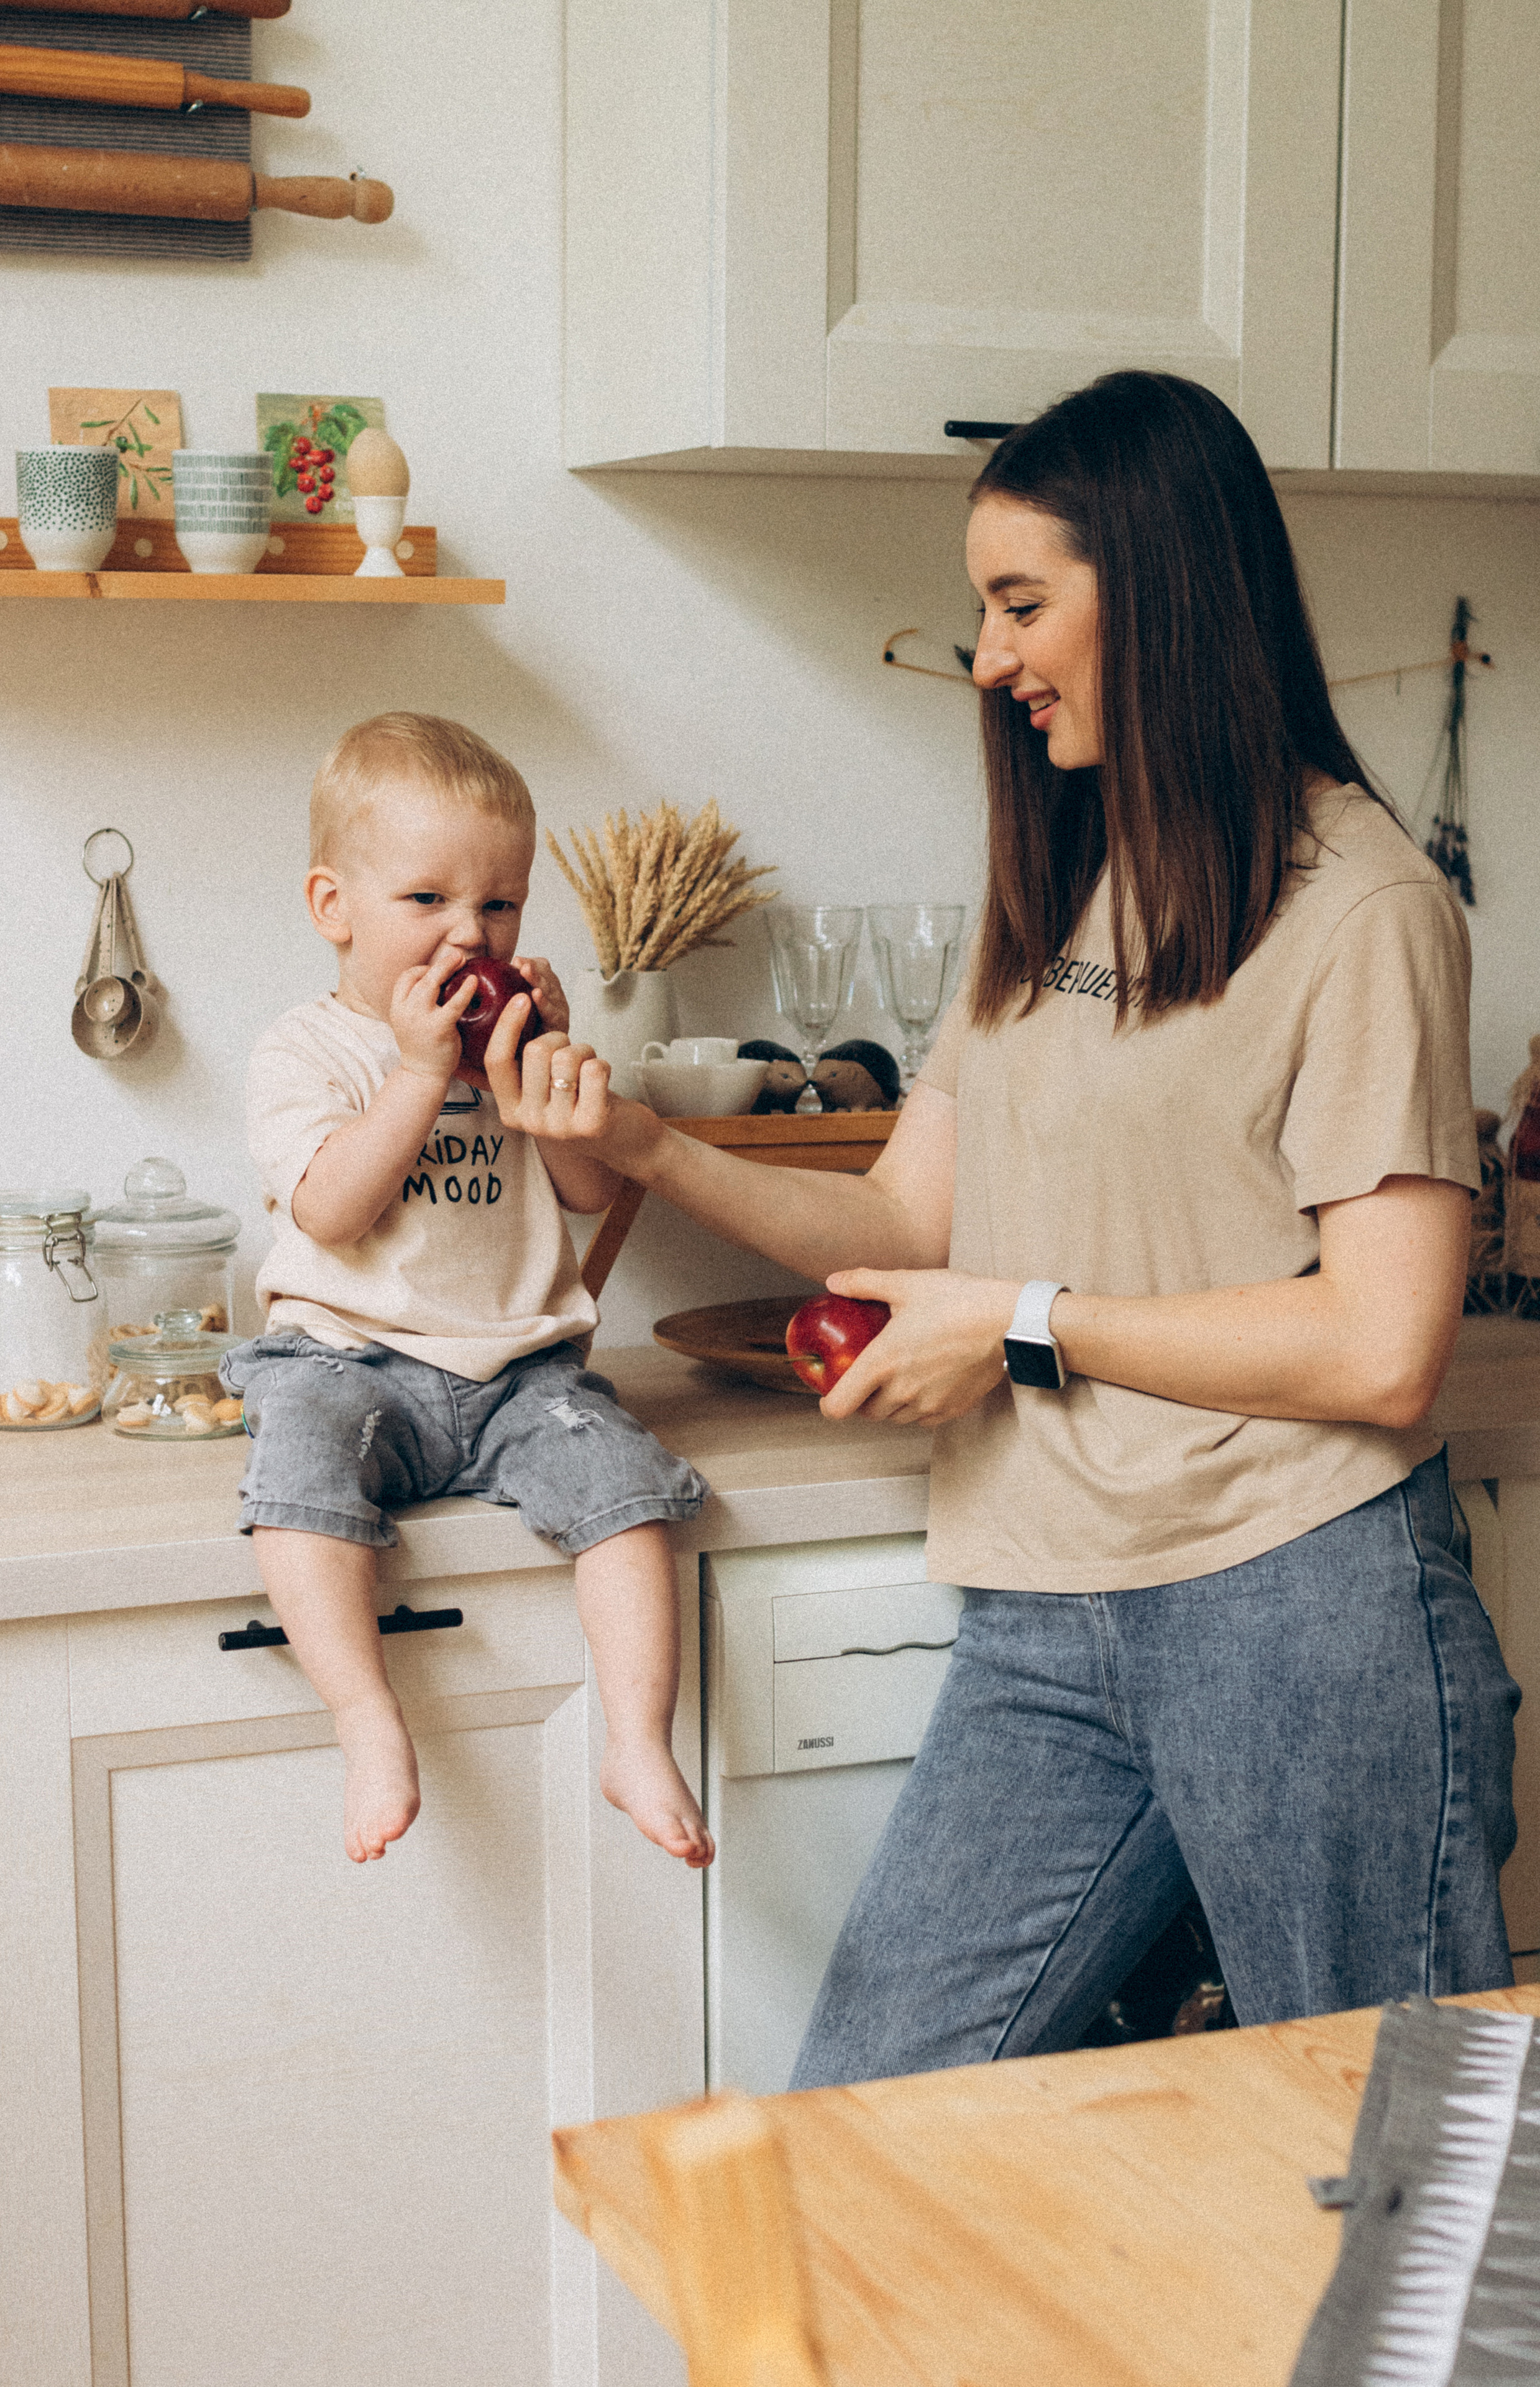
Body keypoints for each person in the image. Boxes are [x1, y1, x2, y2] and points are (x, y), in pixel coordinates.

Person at [488, 372, 1521, 2082]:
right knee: (867, 2123)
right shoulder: (1061, 881)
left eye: (1022, 604)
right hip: (1050, 1612)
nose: (986, 656)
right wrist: (649, 1145)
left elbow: (1382, 1344)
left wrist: (1024, 1321)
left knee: (1404, 2176)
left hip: (1302, 1614)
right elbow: (908, 1216)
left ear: (1168, 593)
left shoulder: (1367, 911)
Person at [219, 712, 712, 1869]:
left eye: (498, 906)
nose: (468, 935)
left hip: (520, 1368)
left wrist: (549, 1067)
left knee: (629, 1500)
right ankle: (367, 1721)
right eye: (427, 902)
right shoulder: (306, 1052)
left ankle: (636, 1738)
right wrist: (422, 1073)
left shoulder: (511, 1046)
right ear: (332, 908)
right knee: (295, 1486)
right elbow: (333, 1210)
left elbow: (589, 1190)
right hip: (346, 1358)